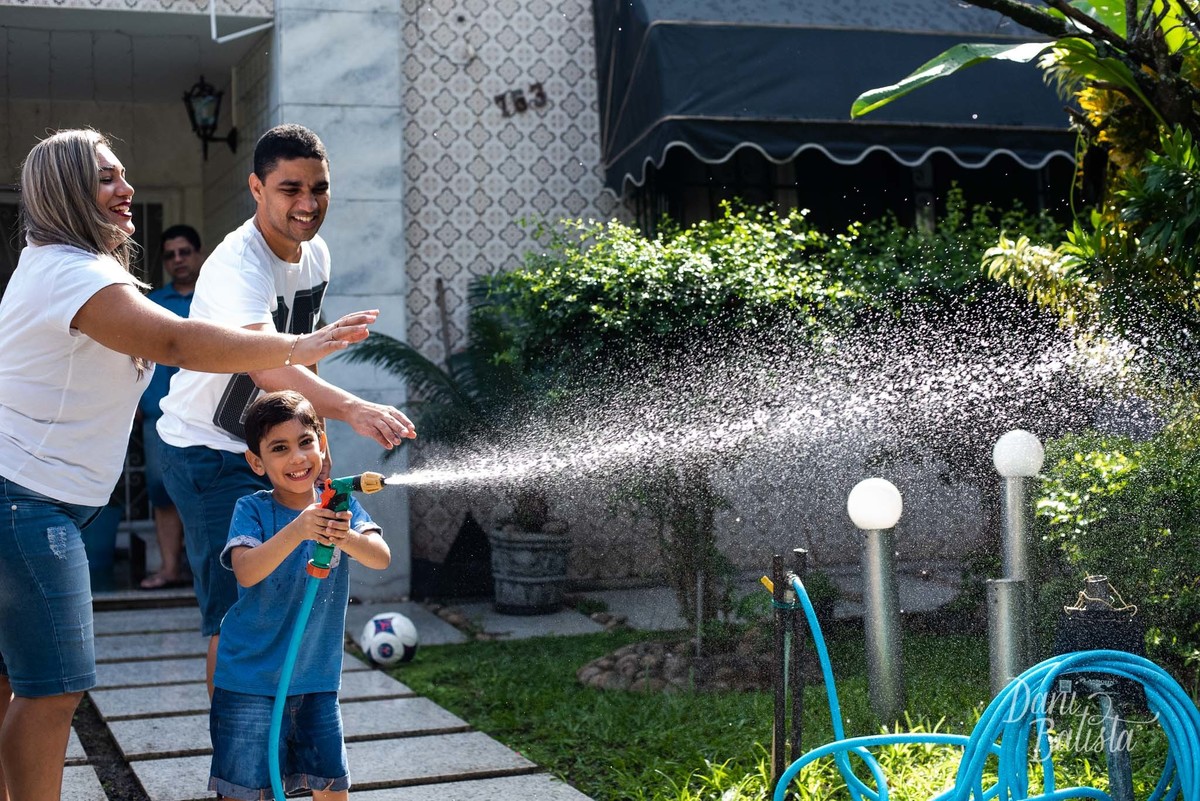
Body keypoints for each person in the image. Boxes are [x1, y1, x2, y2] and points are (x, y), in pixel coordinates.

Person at [0, 128, 382, 801]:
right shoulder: (71, 272)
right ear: (64, 190)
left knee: (12, 677)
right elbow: (177, 340)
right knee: (53, 686)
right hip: (28, 503)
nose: (127, 189)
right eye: (108, 178)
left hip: (25, 496)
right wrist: (304, 344)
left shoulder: (60, 265)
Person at [157, 123, 416, 696]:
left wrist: (315, 441)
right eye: (290, 188)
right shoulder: (235, 264)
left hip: (270, 449)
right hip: (207, 450)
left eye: (319, 188)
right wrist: (351, 409)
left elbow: (305, 353)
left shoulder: (314, 253)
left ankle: (279, 739)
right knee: (238, 614)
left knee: (286, 594)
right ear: (256, 188)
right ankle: (236, 767)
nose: (307, 203)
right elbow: (267, 365)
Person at [209, 390, 389, 800]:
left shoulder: (341, 505)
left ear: (322, 446)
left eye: (306, 442)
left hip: (315, 679)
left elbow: (380, 557)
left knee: (330, 784)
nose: (297, 457)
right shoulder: (251, 510)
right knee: (245, 789)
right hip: (249, 681)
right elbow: (246, 570)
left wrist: (344, 535)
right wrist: (300, 529)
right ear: (257, 462)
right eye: (279, 448)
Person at [137, 223, 204, 590]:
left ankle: (205, 575)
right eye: (170, 255)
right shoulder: (151, 304)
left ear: (198, 254)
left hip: (208, 415)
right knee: (162, 491)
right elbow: (134, 356)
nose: (178, 260)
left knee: (206, 490)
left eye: (184, 252)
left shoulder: (214, 299)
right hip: (159, 414)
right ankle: (168, 569)